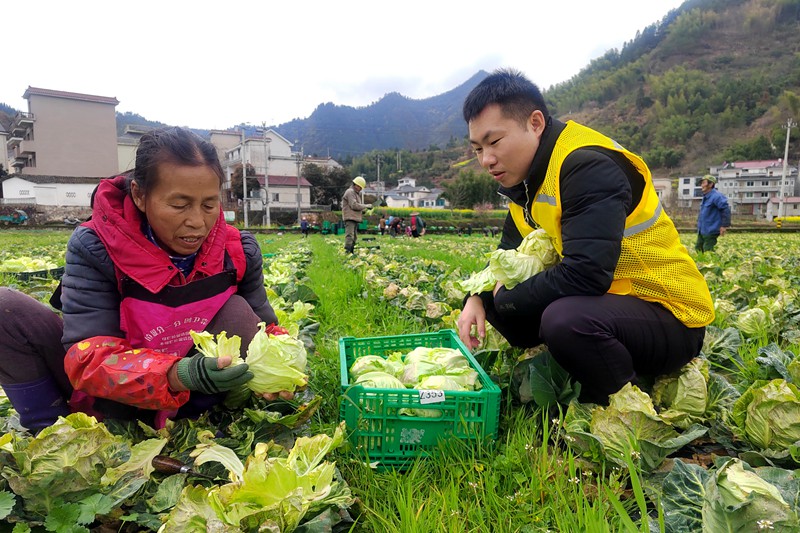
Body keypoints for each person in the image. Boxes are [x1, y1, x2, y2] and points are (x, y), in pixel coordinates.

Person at [0, 127, 291, 433]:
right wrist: (178, 374)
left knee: (240, 314)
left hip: (196, 392)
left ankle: (195, 423)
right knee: (6, 310)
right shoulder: (96, 246)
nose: (197, 221)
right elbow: (89, 355)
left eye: (209, 205)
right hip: (111, 397)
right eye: (179, 205)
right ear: (139, 195)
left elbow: (266, 327)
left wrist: (282, 367)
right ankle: (54, 431)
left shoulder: (238, 250)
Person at [456, 69, 714, 404]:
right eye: (478, 148)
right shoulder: (526, 184)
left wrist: (506, 299)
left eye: (494, 142)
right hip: (612, 305)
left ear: (535, 123)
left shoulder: (585, 165)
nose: (486, 160)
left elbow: (586, 273)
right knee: (497, 299)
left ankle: (624, 404)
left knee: (563, 320)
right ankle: (590, 360)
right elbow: (506, 253)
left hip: (670, 315)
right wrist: (476, 298)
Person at [696, 174, 730, 253]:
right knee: (698, 248)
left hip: (711, 229)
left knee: (708, 250)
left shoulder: (717, 196)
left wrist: (724, 225)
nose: (702, 185)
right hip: (702, 229)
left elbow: (725, 210)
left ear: (711, 184)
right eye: (701, 183)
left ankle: (713, 260)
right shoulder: (706, 197)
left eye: (704, 183)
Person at [341, 176, 370, 253]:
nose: (360, 189)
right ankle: (348, 251)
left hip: (354, 217)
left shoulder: (356, 194)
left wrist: (364, 210)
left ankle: (351, 251)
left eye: (361, 188)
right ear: (355, 184)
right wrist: (365, 206)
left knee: (354, 237)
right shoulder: (350, 192)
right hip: (350, 217)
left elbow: (357, 206)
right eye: (359, 187)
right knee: (350, 235)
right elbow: (354, 205)